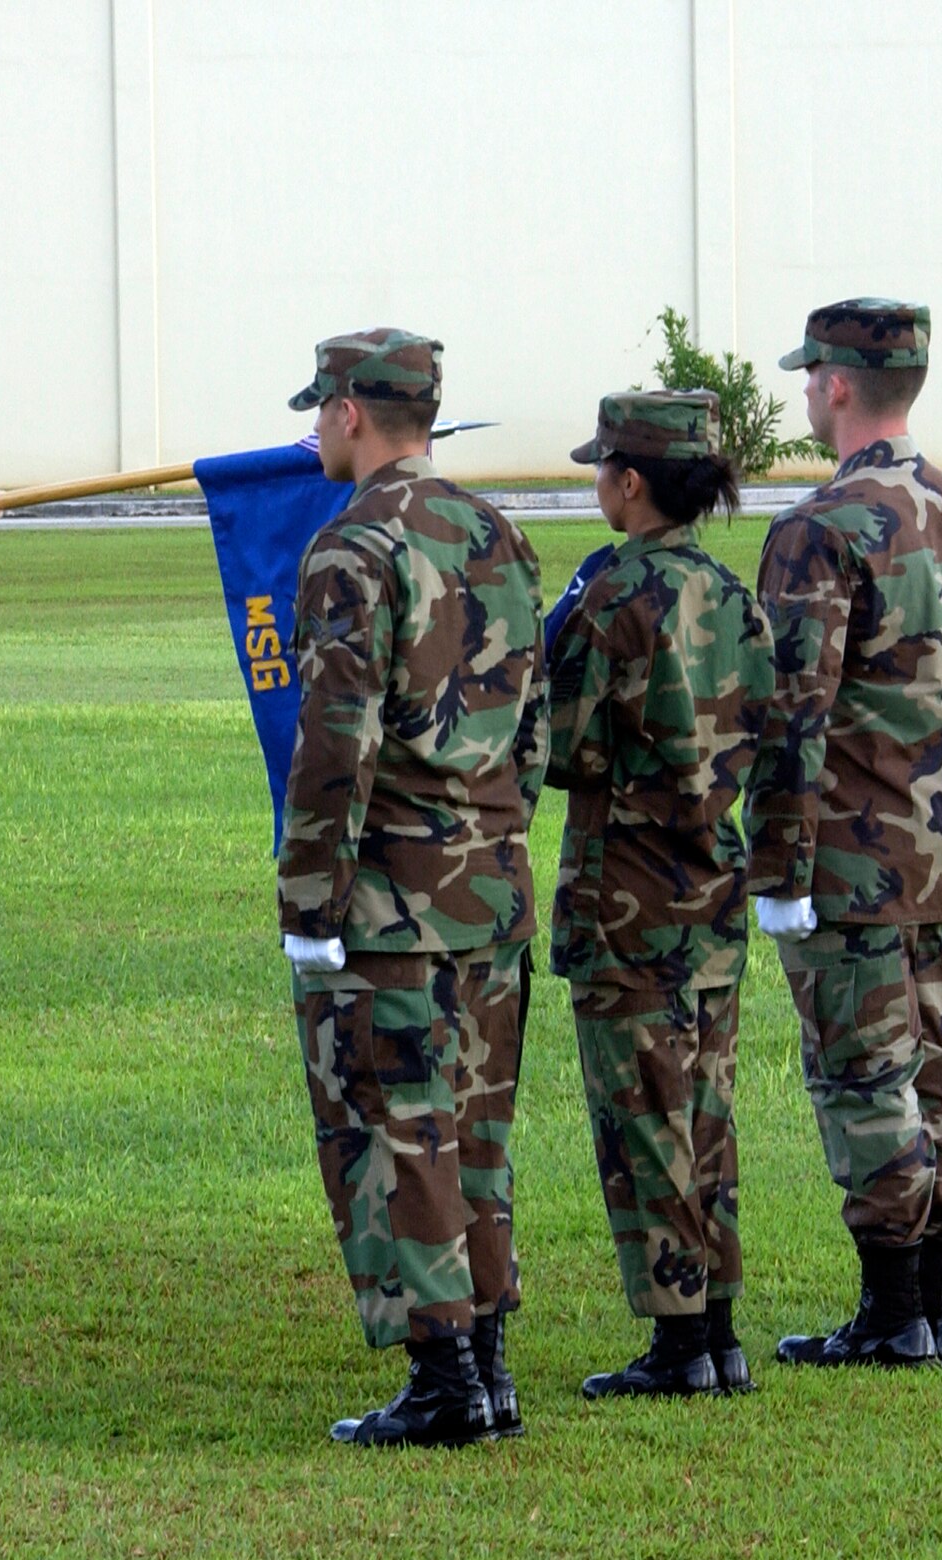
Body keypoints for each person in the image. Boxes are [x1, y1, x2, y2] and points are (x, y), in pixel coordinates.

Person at [277, 329, 546, 1449]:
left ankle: (442, 1381)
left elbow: (334, 739)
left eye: (320, 411)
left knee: (397, 1131)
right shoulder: (499, 535)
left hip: (392, 892)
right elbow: (531, 728)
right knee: (475, 1131)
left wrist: (307, 897)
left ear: (349, 414)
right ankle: (485, 1363)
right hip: (489, 878)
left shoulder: (353, 547)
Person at [748, 300, 942, 1367]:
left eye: (808, 375)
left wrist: (778, 866)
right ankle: (932, 1305)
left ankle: (892, 1310)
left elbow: (789, 713)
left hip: (851, 863)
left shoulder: (818, 529)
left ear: (834, 384)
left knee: (863, 1076)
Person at [544, 390, 775, 1399]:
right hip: (711, 886)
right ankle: (715, 1324)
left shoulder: (608, 601)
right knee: (705, 1112)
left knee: (641, 1117)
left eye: (600, 468)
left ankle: (677, 1343)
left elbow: (562, 745)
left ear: (627, 481)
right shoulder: (730, 594)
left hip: (623, 892)